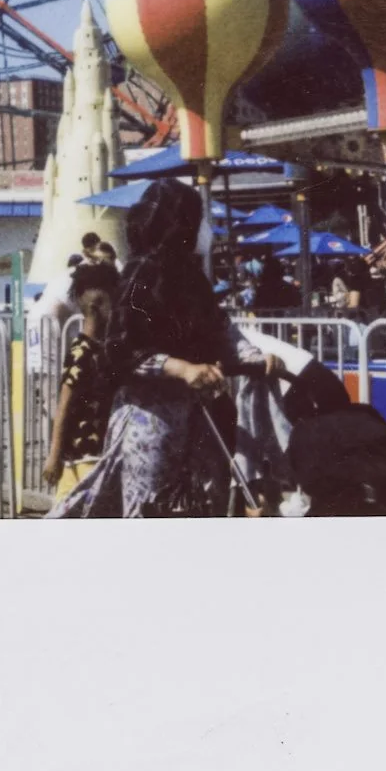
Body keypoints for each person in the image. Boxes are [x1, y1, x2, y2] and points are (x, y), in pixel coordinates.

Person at [49, 179, 288, 519]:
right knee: (149, 513)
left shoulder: (193, 278)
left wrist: (253, 357)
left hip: (198, 418)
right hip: (150, 423)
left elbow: (221, 327)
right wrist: (178, 367)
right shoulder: (139, 275)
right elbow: (118, 351)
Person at [41, 262, 118, 499]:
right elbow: (64, 405)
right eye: (112, 304)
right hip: (82, 459)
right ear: (96, 307)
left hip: (97, 455)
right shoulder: (82, 353)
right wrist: (54, 456)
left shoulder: (102, 350)